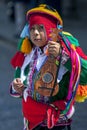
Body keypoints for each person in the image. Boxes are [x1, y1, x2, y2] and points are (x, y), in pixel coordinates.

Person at [10, 4, 87, 130]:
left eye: (41, 28)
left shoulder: (65, 48)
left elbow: (85, 75)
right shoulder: (28, 52)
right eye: (32, 28)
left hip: (56, 122)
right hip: (32, 121)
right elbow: (20, 81)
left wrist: (63, 56)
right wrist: (17, 87)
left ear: (51, 30)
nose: (35, 33)